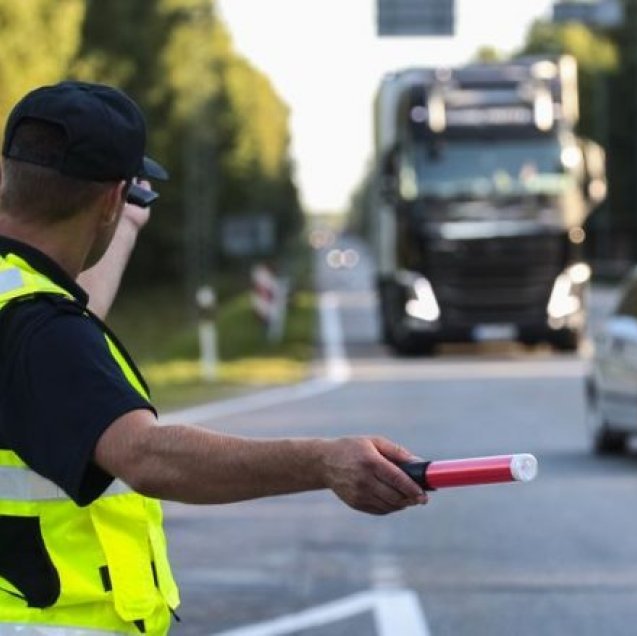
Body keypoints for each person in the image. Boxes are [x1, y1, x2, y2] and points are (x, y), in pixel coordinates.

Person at [0, 81, 427, 635]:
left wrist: (125, 224)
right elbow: (147, 456)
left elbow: (59, 352)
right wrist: (323, 461)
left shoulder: (22, 309)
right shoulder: (38, 328)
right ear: (110, 197)